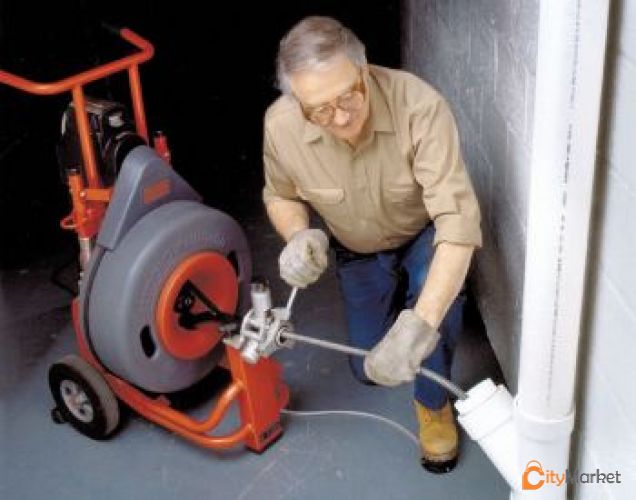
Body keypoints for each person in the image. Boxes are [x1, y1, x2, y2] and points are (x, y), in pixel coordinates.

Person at [262, 15, 481, 473]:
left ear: (365, 70)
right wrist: (298, 234)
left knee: (430, 319)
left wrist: (423, 320)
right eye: (320, 110)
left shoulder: (419, 106)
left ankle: (433, 405)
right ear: (297, 102)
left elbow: (457, 224)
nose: (341, 117)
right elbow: (280, 194)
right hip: (356, 247)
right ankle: (408, 302)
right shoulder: (281, 125)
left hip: (423, 234)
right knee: (368, 368)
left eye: (349, 95)